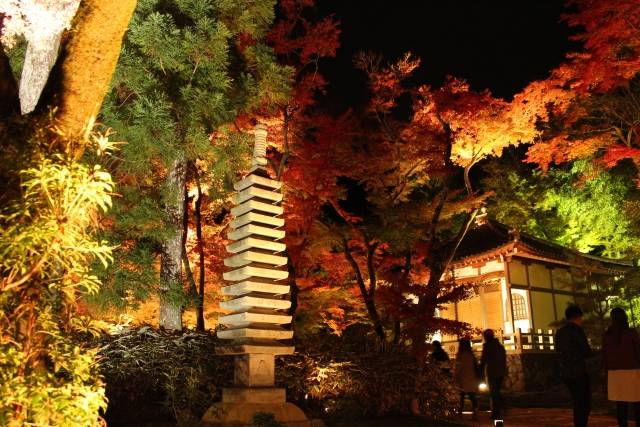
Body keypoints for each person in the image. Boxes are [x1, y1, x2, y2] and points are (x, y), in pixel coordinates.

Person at [603, 307, 640, 427]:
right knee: (637, 404)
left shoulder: (607, 335)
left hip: (615, 373)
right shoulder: (631, 333)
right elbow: (638, 352)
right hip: (632, 371)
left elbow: (605, 355)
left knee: (621, 405)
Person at [555, 305, 592, 427]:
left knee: (577, 401)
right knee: (584, 402)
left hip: (566, 372)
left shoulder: (560, 332)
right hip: (578, 371)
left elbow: (558, 351)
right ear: (578, 317)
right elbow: (585, 350)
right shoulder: (576, 330)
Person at [480, 329, 507, 420]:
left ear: (486, 337)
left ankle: (496, 413)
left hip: (492, 372)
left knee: (494, 393)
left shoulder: (487, 346)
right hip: (500, 372)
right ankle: (502, 408)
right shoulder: (500, 346)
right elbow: (504, 360)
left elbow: (484, 360)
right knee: (497, 392)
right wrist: (505, 371)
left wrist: (480, 372)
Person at [454, 338, 479, 420]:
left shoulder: (460, 355)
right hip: (471, 377)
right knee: (472, 396)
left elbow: (458, 367)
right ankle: (475, 413)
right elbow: (475, 366)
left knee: (461, 396)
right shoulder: (471, 355)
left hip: (462, 377)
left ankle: (460, 414)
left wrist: (455, 376)